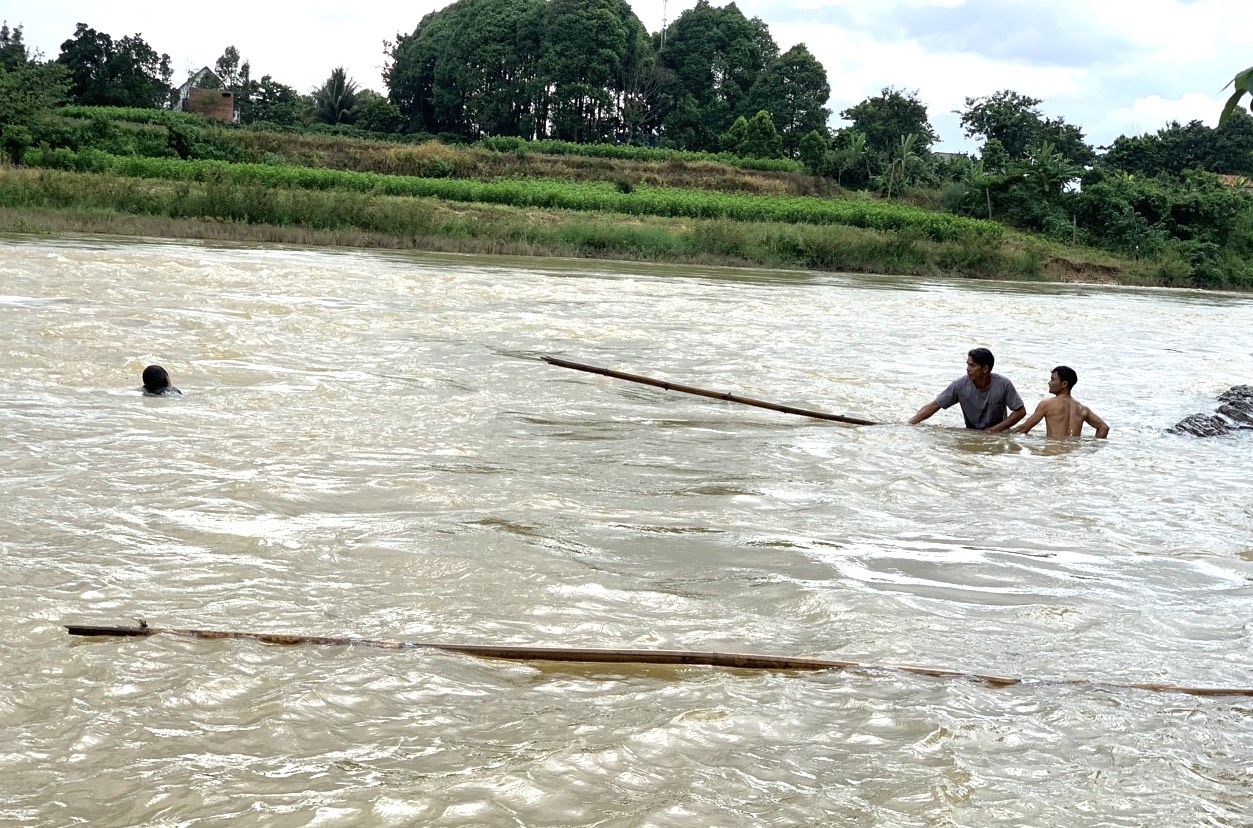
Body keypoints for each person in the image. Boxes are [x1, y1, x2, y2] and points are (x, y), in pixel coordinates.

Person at [909, 347, 1025, 432]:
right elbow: (934, 406)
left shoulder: (1003, 384)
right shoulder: (960, 386)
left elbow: (1020, 412)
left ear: (985, 369)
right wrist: (910, 423)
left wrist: (995, 430)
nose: (968, 369)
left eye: (972, 366)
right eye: (968, 364)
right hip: (971, 432)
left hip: (998, 435)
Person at [1013, 366, 1109, 439]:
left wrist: (1002, 436)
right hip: (1073, 456)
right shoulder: (1082, 409)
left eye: (1053, 379)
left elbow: (1024, 429)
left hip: (1054, 453)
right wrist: (1093, 448)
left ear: (1064, 384)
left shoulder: (1047, 404)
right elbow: (1103, 428)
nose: (1049, 383)